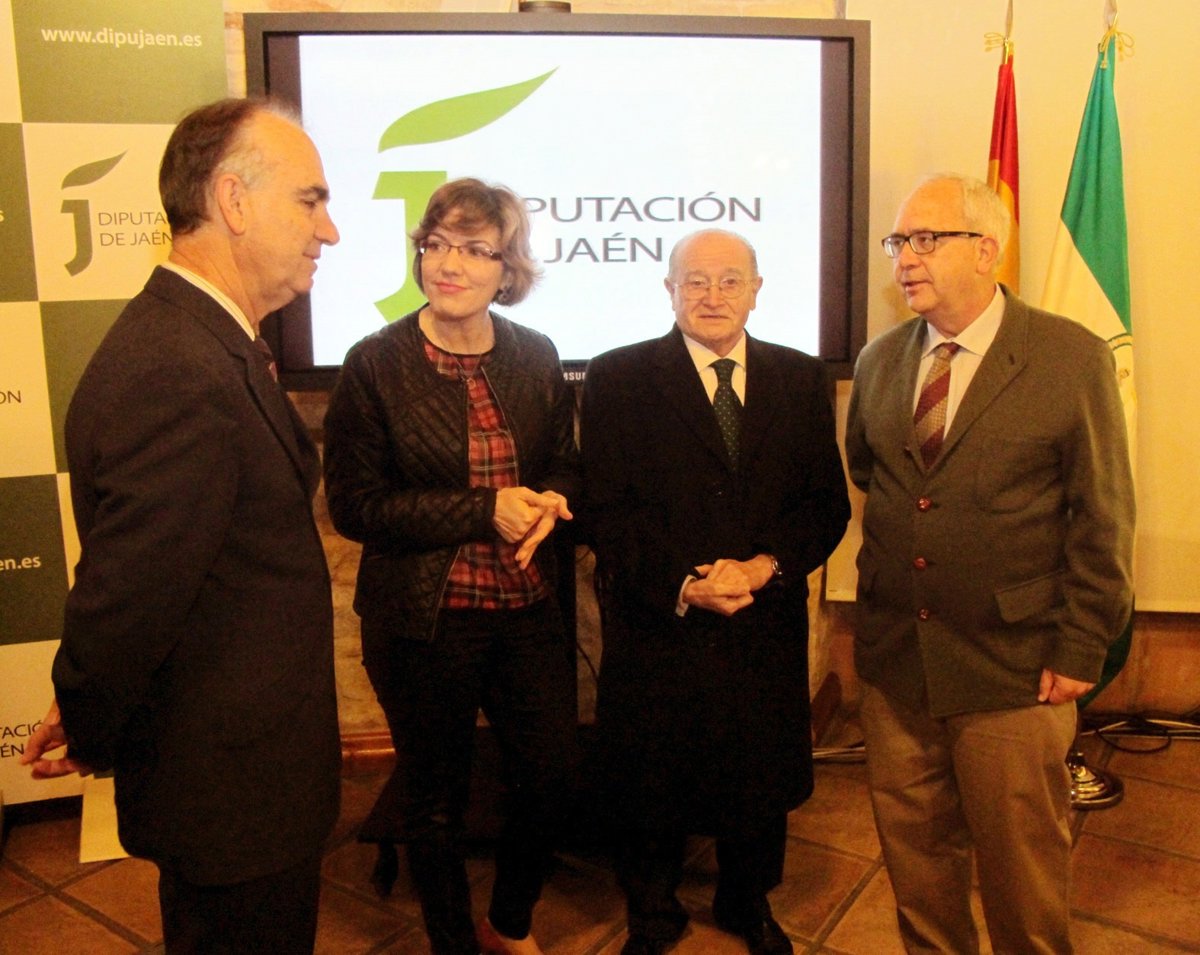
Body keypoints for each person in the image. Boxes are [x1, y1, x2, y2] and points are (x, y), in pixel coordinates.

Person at [20, 97, 342, 952]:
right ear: (234, 200)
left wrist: (89, 702)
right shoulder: (179, 368)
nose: (330, 230)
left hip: (241, 779)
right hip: (231, 797)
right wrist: (90, 713)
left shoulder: (204, 341)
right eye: (310, 200)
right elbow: (129, 600)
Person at [845, 173, 1135, 954]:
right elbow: (877, 477)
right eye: (899, 242)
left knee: (1022, 879)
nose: (905, 258)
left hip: (1015, 669)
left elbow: (1103, 515)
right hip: (897, 666)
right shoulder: (879, 360)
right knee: (919, 871)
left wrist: (1081, 646)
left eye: (925, 240)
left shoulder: (1067, 356)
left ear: (986, 250)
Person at [322, 178, 578, 955]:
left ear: (509, 268)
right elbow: (356, 506)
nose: (448, 263)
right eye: (435, 244)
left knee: (551, 777)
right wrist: (483, 509)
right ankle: (452, 942)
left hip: (525, 606)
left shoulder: (536, 354)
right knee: (434, 800)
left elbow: (563, 461)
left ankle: (509, 922)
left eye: (473, 248)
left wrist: (555, 497)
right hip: (422, 618)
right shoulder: (373, 363)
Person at [580, 229, 850, 955]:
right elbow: (605, 508)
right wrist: (683, 583)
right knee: (650, 778)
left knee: (756, 776)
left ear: (756, 290)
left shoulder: (801, 378)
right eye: (695, 281)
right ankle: (652, 910)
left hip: (763, 619)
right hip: (659, 620)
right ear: (668, 290)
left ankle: (747, 901)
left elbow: (825, 505)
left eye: (730, 280)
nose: (712, 295)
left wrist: (764, 567)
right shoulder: (617, 377)